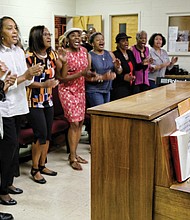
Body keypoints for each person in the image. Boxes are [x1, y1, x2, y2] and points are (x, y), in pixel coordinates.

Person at [0, 16, 44, 205]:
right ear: (1, 34)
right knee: (6, 149)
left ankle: (8, 183)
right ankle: (2, 191)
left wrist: (32, 74)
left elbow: (23, 80)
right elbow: (4, 84)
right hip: (5, 108)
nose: (15, 31)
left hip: (19, 105)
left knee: (14, 148)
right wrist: (25, 75)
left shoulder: (19, 51)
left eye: (16, 28)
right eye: (9, 28)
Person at [26, 25, 60, 184]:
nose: (49, 36)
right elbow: (25, 81)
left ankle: (42, 164)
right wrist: (44, 85)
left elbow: (59, 72)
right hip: (33, 101)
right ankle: (34, 169)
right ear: (37, 36)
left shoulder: (51, 54)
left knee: (47, 135)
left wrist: (64, 61)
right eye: (45, 34)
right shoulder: (28, 56)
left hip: (48, 100)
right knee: (40, 134)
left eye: (49, 34)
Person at [57, 27, 90, 171]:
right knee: (74, 123)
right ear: (67, 39)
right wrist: (80, 74)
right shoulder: (64, 54)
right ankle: (72, 157)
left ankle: (75, 153)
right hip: (67, 90)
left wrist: (95, 75)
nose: (77, 38)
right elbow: (61, 78)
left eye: (79, 36)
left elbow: (86, 71)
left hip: (80, 90)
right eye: (73, 36)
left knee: (80, 122)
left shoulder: (84, 51)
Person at [85, 32, 122, 107]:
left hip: (107, 90)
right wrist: (102, 77)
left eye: (102, 39)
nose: (101, 41)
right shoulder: (89, 55)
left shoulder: (110, 54)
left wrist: (118, 67)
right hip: (94, 90)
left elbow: (119, 72)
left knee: (105, 113)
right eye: (98, 40)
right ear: (92, 44)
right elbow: (86, 76)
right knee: (101, 113)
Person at [111, 32, 137, 100]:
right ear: (118, 43)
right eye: (123, 41)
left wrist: (144, 64)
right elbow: (114, 71)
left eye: (127, 40)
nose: (126, 42)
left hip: (131, 85)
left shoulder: (130, 53)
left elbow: (135, 67)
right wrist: (123, 78)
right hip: (120, 86)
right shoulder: (115, 54)